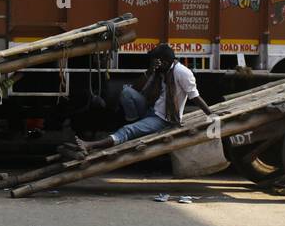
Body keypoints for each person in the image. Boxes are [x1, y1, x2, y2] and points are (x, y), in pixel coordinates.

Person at [67, 44, 213, 156]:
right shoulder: (161, 72)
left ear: (165, 61)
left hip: (163, 118)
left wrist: (211, 115)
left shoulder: (182, 73)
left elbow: (195, 97)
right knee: (126, 92)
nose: (154, 62)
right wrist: (150, 71)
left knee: (126, 130)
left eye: (156, 60)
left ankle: (90, 145)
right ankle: (135, 123)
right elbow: (136, 89)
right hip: (151, 110)